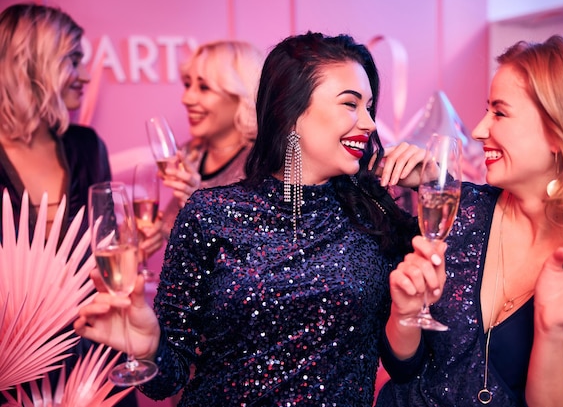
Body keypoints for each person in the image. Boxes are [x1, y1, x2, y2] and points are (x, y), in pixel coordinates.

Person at [74, 31, 427, 406]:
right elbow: (165, 382)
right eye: (351, 104)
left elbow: (410, 363)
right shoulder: (208, 213)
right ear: (291, 111)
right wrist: (149, 346)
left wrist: (438, 184)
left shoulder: (378, 218)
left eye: (370, 107)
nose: (370, 124)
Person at [376, 35, 563, 407]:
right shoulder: (457, 212)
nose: (478, 131)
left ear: (561, 130)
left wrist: (550, 330)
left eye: (500, 113)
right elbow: (403, 368)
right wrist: (406, 313)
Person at [0, 3, 138, 406]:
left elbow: (108, 247)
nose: (84, 75)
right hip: (15, 367)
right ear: (31, 64)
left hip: (94, 357)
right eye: (73, 59)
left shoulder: (86, 145)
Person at [159, 40, 264, 239]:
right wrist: (156, 230)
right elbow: (175, 228)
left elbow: (255, 250)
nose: (186, 99)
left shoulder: (262, 165)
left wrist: (199, 202)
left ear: (243, 94)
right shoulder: (192, 153)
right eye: (188, 85)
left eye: (204, 87)